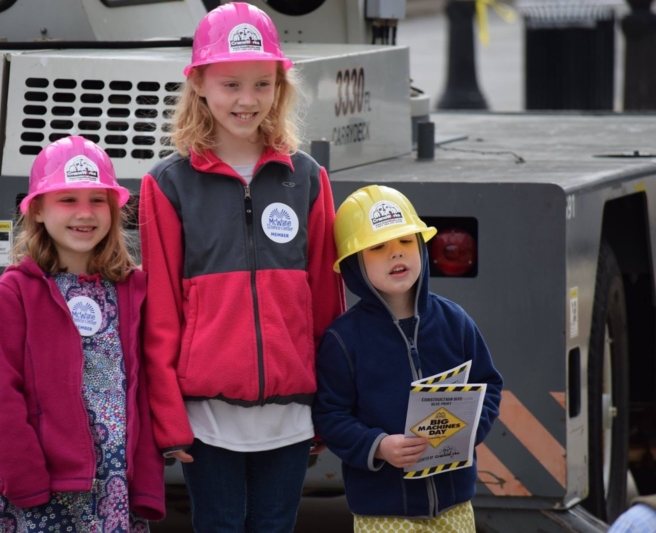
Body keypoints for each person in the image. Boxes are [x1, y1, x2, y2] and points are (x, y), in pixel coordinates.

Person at [138, 3, 345, 532]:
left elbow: (327, 304)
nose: (247, 100)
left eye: (262, 84)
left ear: (280, 86)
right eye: (230, 84)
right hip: (206, 418)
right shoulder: (168, 185)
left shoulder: (307, 178)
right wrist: (168, 415)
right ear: (199, 83)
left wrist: (330, 403)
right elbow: (160, 313)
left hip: (291, 416)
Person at [0, 136, 165, 533]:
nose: (85, 213)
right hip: (45, 490)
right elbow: (2, 396)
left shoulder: (132, 289)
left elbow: (144, 390)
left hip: (117, 489)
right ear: (37, 210)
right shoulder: (14, 292)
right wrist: (25, 480)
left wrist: (147, 481)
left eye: (98, 200)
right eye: (67, 199)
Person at [312, 185, 503, 532]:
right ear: (353, 264)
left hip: (454, 506)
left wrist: (468, 430)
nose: (396, 253)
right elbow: (330, 415)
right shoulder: (343, 339)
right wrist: (379, 446)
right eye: (378, 247)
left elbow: (488, 385)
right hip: (383, 514)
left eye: (405, 241)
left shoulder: (455, 321)